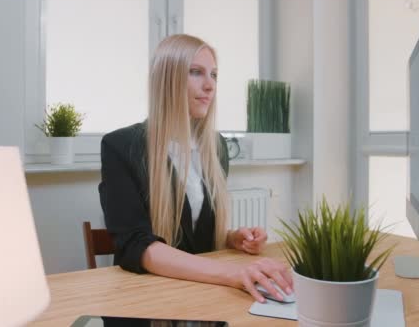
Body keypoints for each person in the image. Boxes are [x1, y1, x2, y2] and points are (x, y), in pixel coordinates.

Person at [98, 34, 292, 303]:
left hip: (202, 294)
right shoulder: (120, 146)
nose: (210, 85)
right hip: (148, 301)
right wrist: (232, 272)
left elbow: (190, 234)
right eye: (196, 72)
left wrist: (232, 238)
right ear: (168, 79)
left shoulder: (216, 147)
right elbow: (135, 245)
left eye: (214, 75)